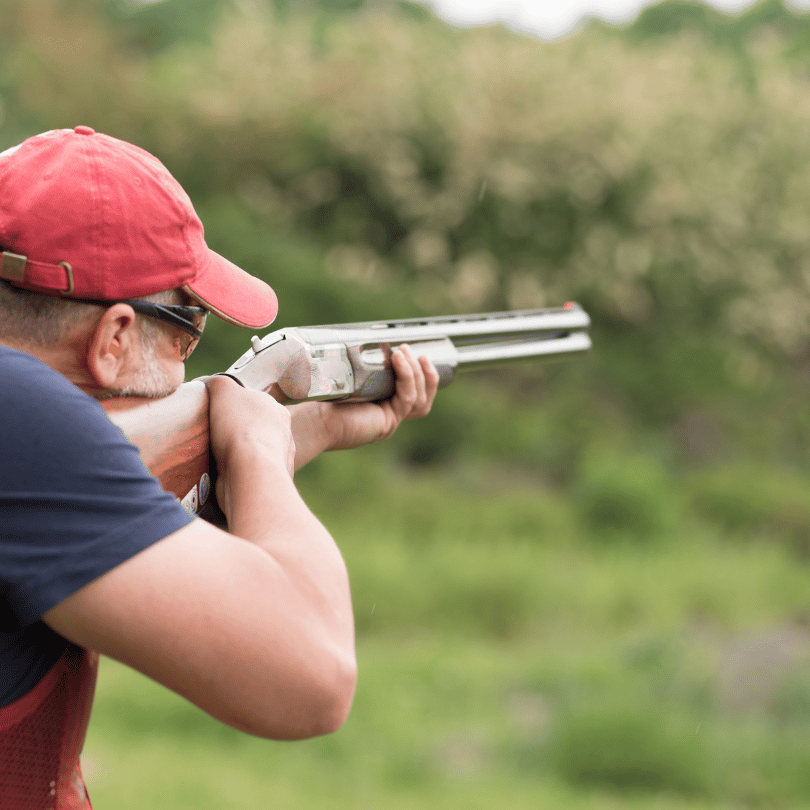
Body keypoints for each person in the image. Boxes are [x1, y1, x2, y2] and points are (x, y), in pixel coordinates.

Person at [0, 126, 440, 808]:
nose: (189, 360)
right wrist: (258, 450)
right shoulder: (22, 413)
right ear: (114, 336)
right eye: (186, 328)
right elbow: (313, 678)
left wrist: (303, 430)